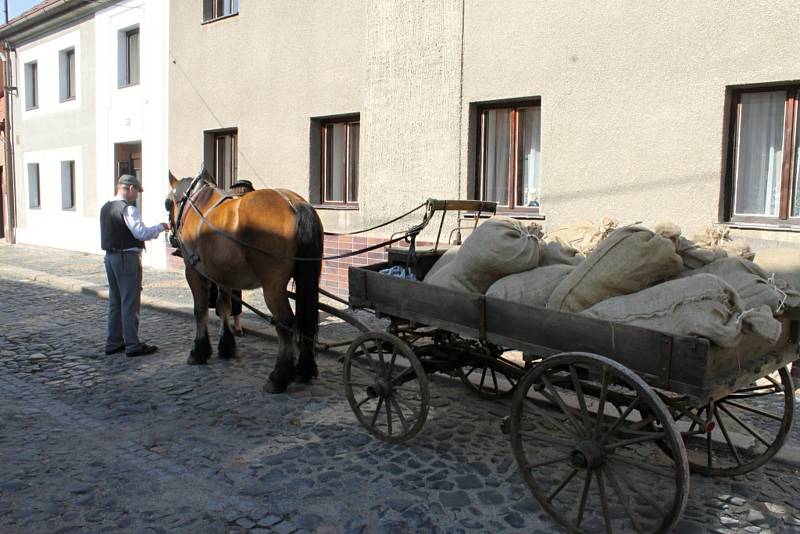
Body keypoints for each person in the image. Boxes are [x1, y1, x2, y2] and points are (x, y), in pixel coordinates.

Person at [100, 174, 170, 357]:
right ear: (130, 188)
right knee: (130, 301)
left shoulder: (106, 207)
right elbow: (140, 233)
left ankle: (114, 342)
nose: (137, 196)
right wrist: (160, 227)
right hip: (127, 258)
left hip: (110, 257)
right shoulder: (128, 209)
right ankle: (132, 344)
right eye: (137, 192)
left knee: (115, 302)